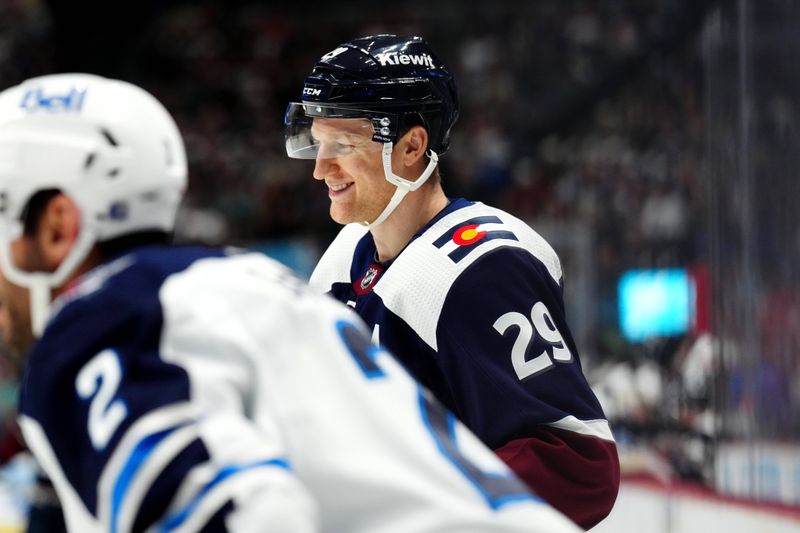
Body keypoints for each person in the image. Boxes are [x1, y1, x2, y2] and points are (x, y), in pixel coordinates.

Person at [0, 73, 584, 533]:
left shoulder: (98, 328)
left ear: (57, 227)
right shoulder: (253, 277)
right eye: (317, 143)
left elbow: (254, 515)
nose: (319, 168)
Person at [285, 34, 620, 529]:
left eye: (342, 144)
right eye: (316, 141)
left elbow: (576, 461)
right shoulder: (343, 257)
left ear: (411, 146)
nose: (319, 168)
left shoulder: (484, 267)